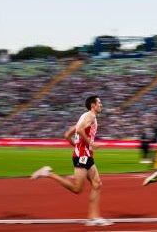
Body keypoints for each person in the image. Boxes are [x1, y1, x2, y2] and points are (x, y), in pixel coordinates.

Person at [29, 95, 110, 226]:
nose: (101, 105)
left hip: (85, 155)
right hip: (83, 156)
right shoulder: (91, 116)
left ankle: (93, 218)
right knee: (77, 189)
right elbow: (79, 130)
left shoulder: (84, 117)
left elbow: (67, 134)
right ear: (93, 105)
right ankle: (48, 173)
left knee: (97, 184)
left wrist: (78, 146)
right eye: (99, 103)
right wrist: (90, 144)